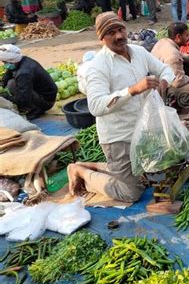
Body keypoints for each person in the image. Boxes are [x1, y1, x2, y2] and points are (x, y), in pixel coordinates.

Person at [68, 12, 174, 203]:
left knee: (159, 170)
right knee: (132, 193)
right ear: (101, 38)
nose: (118, 36)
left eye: (120, 29)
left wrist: (164, 83)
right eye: (110, 33)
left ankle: (97, 166)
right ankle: (82, 172)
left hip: (143, 131)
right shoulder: (98, 66)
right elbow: (96, 106)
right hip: (118, 137)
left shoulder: (139, 52)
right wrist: (132, 90)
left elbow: (165, 69)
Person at [0, 44, 57, 119]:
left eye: (4, 62)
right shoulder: (21, 60)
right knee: (11, 83)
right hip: (40, 92)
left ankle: (36, 109)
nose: (4, 64)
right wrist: (1, 84)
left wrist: (4, 96)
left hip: (46, 101)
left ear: (11, 61)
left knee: (12, 84)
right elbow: (8, 73)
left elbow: (23, 99)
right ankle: (32, 105)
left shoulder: (23, 73)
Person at [151, 22, 189, 110]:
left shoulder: (163, 42)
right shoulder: (173, 55)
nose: (188, 38)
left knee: (187, 62)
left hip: (154, 84)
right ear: (178, 37)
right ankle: (175, 108)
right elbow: (177, 82)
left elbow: (180, 55)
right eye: (186, 35)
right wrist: (186, 78)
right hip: (160, 90)